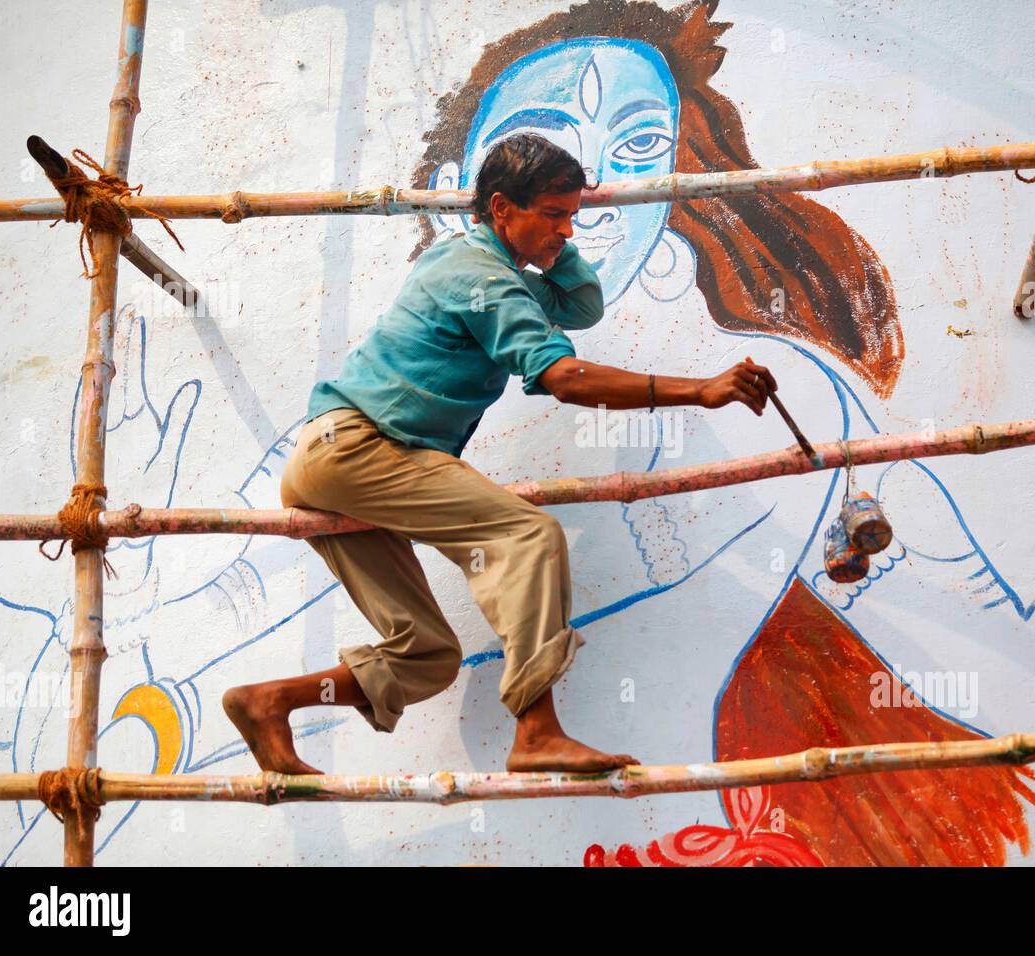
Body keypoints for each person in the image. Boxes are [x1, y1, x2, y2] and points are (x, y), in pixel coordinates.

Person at [222, 132, 777, 774]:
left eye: (573, 215)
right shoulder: (476, 274)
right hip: (362, 449)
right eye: (552, 213)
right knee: (527, 536)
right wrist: (699, 392)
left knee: (426, 655)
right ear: (499, 207)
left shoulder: (499, 273)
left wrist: (551, 242)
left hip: (342, 468)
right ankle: (537, 732)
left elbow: (582, 305)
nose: (567, 230)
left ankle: (268, 702)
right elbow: (563, 378)